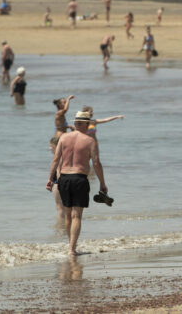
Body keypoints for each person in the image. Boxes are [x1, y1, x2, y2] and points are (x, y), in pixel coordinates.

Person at [46, 110, 108, 256]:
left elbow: (55, 160)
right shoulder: (90, 141)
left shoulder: (63, 138)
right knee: (77, 216)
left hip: (64, 179)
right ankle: (72, 249)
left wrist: (50, 179)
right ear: (87, 124)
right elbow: (97, 163)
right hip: (80, 179)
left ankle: (71, 246)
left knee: (68, 215)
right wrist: (102, 183)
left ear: (75, 123)